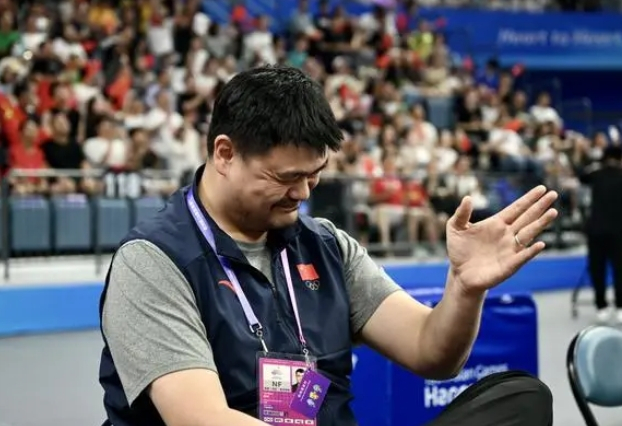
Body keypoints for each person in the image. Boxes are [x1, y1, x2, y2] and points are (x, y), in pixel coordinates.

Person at [99, 65, 557, 426]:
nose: (302, 194)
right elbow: (201, 420)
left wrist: (465, 287)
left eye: (314, 175)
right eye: (286, 177)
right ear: (225, 154)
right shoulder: (153, 261)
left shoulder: (327, 246)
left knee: (519, 400)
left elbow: (431, 352)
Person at [580, 145, 622, 323]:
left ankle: (601, 306)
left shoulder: (595, 174)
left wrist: (592, 160)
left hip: (596, 230)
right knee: (620, 269)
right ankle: (620, 306)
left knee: (597, 269)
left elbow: (581, 175)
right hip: (619, 231)